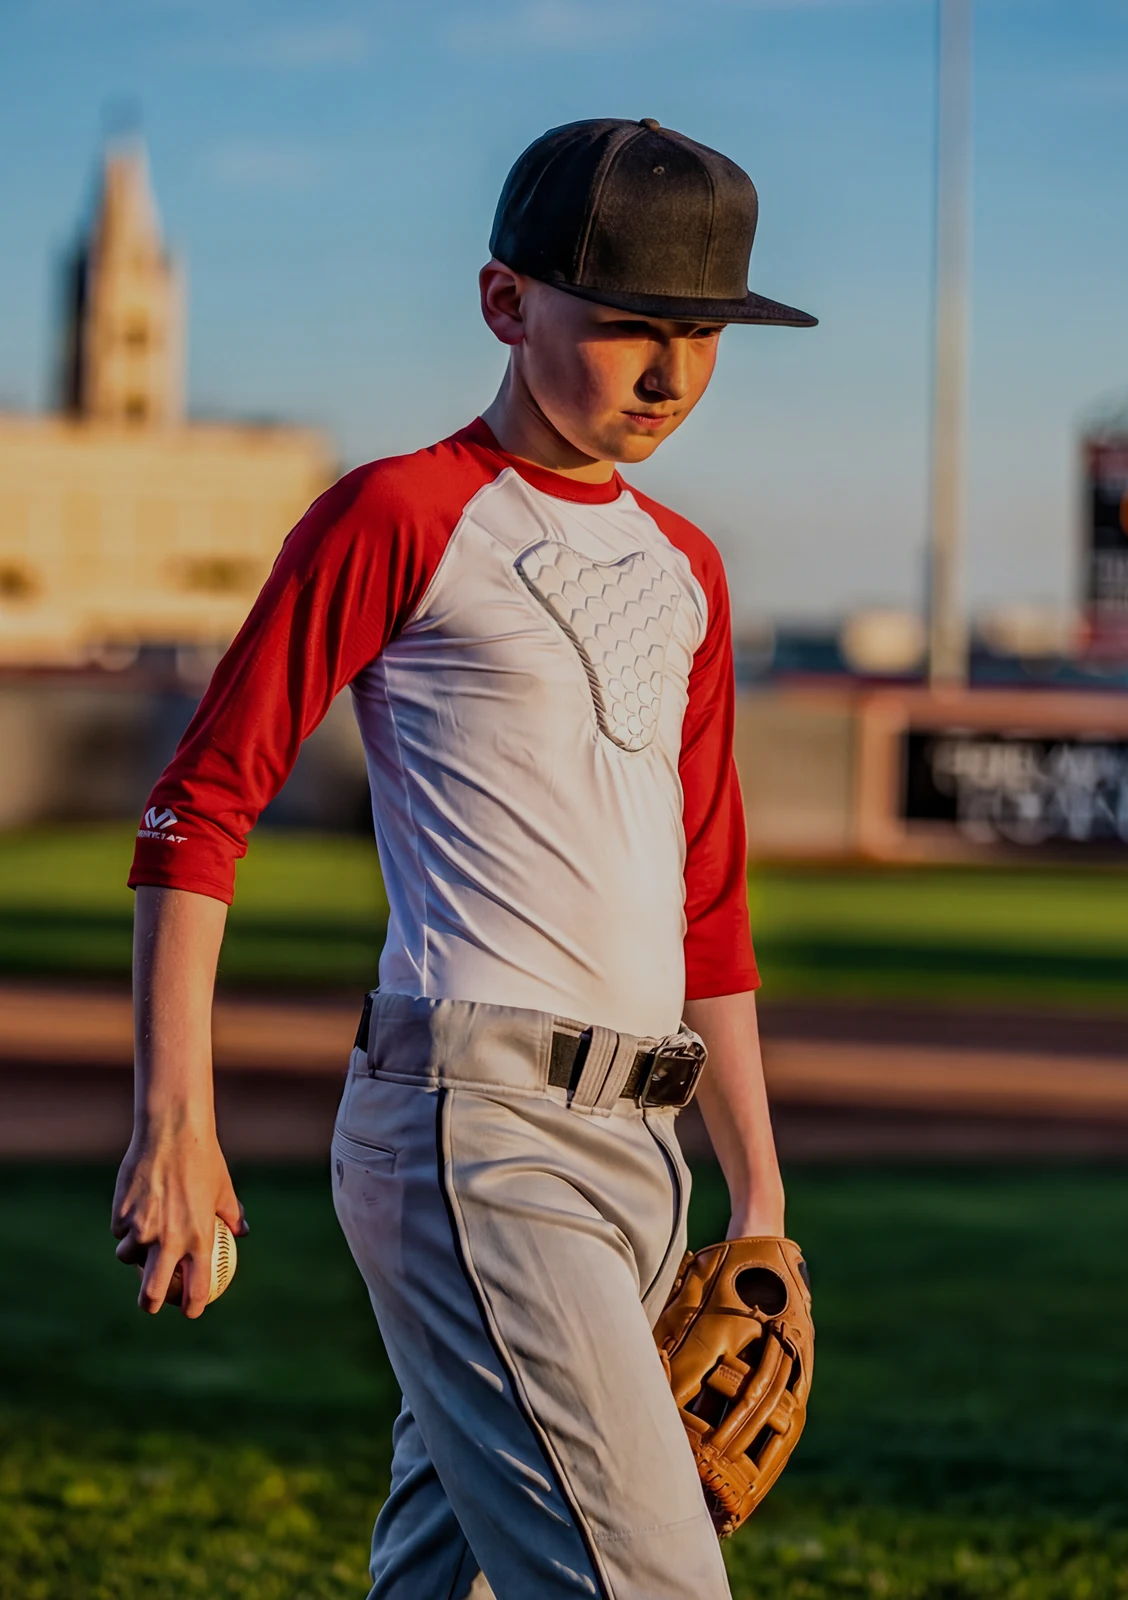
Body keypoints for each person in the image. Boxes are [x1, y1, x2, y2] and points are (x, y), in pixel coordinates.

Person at [111, 115, 818, 1600]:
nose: (669, 370)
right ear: (507, 305)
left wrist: (759, 1204)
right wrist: (175, 1118)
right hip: (474, 1136)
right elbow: (201, 806)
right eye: (626, 321)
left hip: (647, 1153)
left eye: (701, 332)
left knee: (455, 1579)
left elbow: (710, 898)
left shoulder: (688, 567)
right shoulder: (404, 513)